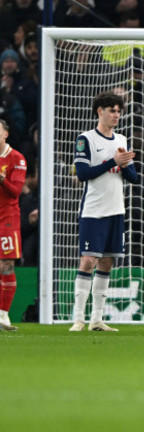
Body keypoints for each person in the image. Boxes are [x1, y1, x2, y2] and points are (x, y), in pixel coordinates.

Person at [70, 92, 138, 332]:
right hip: (93, 210)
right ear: (100, 111)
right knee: (88, 261)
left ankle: (96, 319)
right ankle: (78, 318)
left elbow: (133, 177)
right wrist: (113, 162)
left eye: (119, 111)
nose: (117, 115)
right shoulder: (85, 139)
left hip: (116, 210)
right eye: (112, 110)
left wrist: (125, 164)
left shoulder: (121, 138)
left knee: (106, 263)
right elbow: (82, 174)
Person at [0, 119, 26, 331]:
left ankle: (3, 316)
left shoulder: (17, 158)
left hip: (7, 218)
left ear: (5, 134)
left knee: (6, 265)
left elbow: (16, 192)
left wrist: (1, 179)